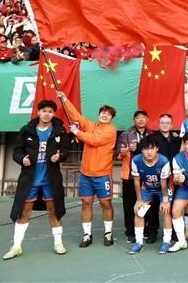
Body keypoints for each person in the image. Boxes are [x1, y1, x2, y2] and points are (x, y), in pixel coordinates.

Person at [4, 100, 72, 259]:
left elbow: (66, 150)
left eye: (50, 111)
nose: (47, 114)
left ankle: (58, 243)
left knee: (54, 211)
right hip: (30, 179)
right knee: (24, 212)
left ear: (54, 113)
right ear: (38, 112)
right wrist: (22, 159)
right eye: (44, 111)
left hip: (51, 179)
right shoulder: (26, 130)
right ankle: (16, 246)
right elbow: (17, 151)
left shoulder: (59, 130)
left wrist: (60, 156)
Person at [59, 90, 117, 248]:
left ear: (111, 118)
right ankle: (87, 234)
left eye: (108, 114)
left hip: (102, 174)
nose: (105, 115)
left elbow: (94, 140)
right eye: (103, 113)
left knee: (105, 203)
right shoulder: (92, 125)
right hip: (86, 174)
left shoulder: (110, 130)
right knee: (86, 203)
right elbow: (77, 117)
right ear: (99, 114)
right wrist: (65, 99)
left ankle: (108, 233)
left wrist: (77, 132)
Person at [128, 136, 172, 255]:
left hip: (163, 189)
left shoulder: (164, 161)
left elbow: (164, 183)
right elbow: (136, 181)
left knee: (166, 211)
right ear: (141, 150)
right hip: (147, 188)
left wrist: (165, 201)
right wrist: (139, 200)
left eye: (152, 148)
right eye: (146, 149)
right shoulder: (136, 160)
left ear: (157, 149)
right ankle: (139, 243)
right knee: (139, 211)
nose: (149, 152)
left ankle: (166, 242)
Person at [117, 110, 152, 244]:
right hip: (130, 175)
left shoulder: (151, 134)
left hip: (147, 175)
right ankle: (130, 232)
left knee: (147, 203)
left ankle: (145, 229)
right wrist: (123, 151)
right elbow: (118, 155)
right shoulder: (126, 134)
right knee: (129, 204)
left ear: (147, 119)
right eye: (138, 118)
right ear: (134, 120)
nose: (141, 120)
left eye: (143, 117)